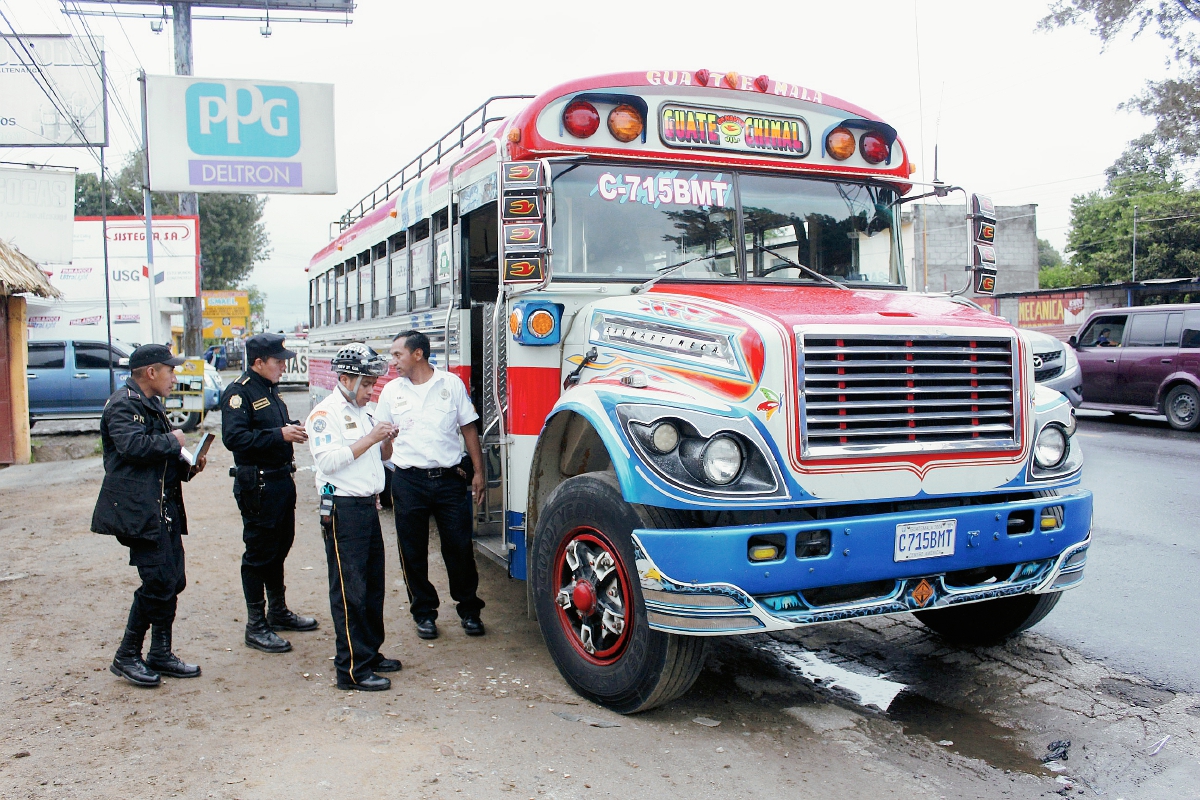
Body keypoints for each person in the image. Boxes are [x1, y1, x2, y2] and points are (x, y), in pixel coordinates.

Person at [91, 344, 207, 687]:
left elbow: (159, 455)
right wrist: (173, 442)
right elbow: (133, 448)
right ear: (151, 372)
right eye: (170, 370)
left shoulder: (150, 403)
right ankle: (127, 655)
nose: (175, 377)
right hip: (137, 510)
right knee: (158, 581)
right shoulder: (123, 404)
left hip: (162, 506)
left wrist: (189, 465)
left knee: (174, 579)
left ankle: (160, 652)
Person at [376, 330, 487, 640]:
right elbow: (380, 440)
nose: (392, 361)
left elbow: (468, 429)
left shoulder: (450, 385)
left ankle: (469, 610)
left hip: (449, 480)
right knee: (412, 552)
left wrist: (478, 473)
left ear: (417, 354)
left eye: (397, 354)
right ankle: (424, 613)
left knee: (460, 548)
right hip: (408, 480)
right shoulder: (391, 392)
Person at [306, 343, 400, 691]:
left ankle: (370, 653)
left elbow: (381, 457)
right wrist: (370, 437)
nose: (370, 391)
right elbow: (328, 461)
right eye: (365, 384)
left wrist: (386, 440)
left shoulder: (367, 413)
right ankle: (351, 670)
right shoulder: (324, 414)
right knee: (350, 591)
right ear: (345, 379)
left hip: (367, 507)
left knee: (373, 587)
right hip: (343, 510)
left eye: (372, 384)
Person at [221, 332, 317, 655]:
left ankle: (278, 611)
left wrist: (292, 428)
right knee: (258, 553)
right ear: (259, 362)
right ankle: (256, 624)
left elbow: (274, 427)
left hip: (280, 481)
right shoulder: (239, 394)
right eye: (278, 362)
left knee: (279, 546)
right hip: (257, 484)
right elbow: (235, 439)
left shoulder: (271, 391)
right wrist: (280, 434)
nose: (283, 367)